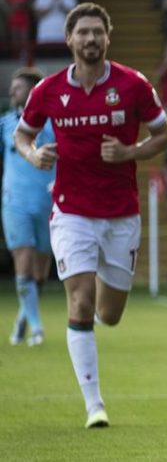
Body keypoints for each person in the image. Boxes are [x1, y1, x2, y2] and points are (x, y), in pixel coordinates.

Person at [15, 2, 167, 429]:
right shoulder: (47, 90)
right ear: (69, 39)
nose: (90, 39)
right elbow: (22, 135)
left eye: (97, 33)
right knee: (79, 303)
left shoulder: (133, 85)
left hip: (121, 214)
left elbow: (163, 136)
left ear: (108, 37)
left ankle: (103, 279)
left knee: (111, 314)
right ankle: (94, 405)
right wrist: (34, 155)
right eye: (82, 32)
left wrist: (130, 152)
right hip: (71, 212)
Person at [3, 67, 54, 347]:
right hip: (15, 203)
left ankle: (24, 317)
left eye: (18, 87)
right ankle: (37, 328)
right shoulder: (5, 125)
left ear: (34, 92)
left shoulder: (54, 124)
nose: (12, 92)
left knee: (40, 272)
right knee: (23, 262)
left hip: (48, 203)